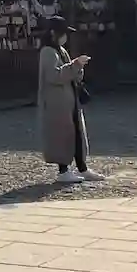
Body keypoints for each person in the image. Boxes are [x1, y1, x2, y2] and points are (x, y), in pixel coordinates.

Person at [38, 16, 103, 184]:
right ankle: (63, 170)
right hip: (57, 102)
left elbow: (70, 73)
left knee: (77, 134)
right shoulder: (48, 52)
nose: (65, 37)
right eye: (63, 33)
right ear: (54, 33)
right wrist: (75, 65)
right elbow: (54, 76)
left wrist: (78, 67)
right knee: (62, 135)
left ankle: (82, 168)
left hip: (69, 100)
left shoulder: (60, 50)